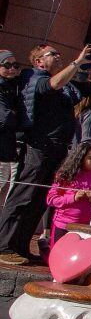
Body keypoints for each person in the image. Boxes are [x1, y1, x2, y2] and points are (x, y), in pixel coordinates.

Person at [0, 44, 91, 265]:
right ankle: (4, 246)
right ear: (39, 61)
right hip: (38, 146)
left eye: (59, 54)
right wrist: (76, 62)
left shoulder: (67, 86)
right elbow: (54, 84)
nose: (58, 57)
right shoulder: (34, 77)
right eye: (52, 54)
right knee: (24, 195)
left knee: (40, 200)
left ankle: (20, 247)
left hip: (58, 147)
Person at [44, 141, 91, 246]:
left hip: (86, 228)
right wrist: (73, 197)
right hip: (63, 225)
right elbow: (51, 199)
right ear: (80, 158)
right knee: (57, 257)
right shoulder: (66, 175)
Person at [0, 50, 21, 205]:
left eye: (15, 65)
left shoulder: (15, 85)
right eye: (7, 65)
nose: (12, 68)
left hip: (7, 147)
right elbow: (5, 117)